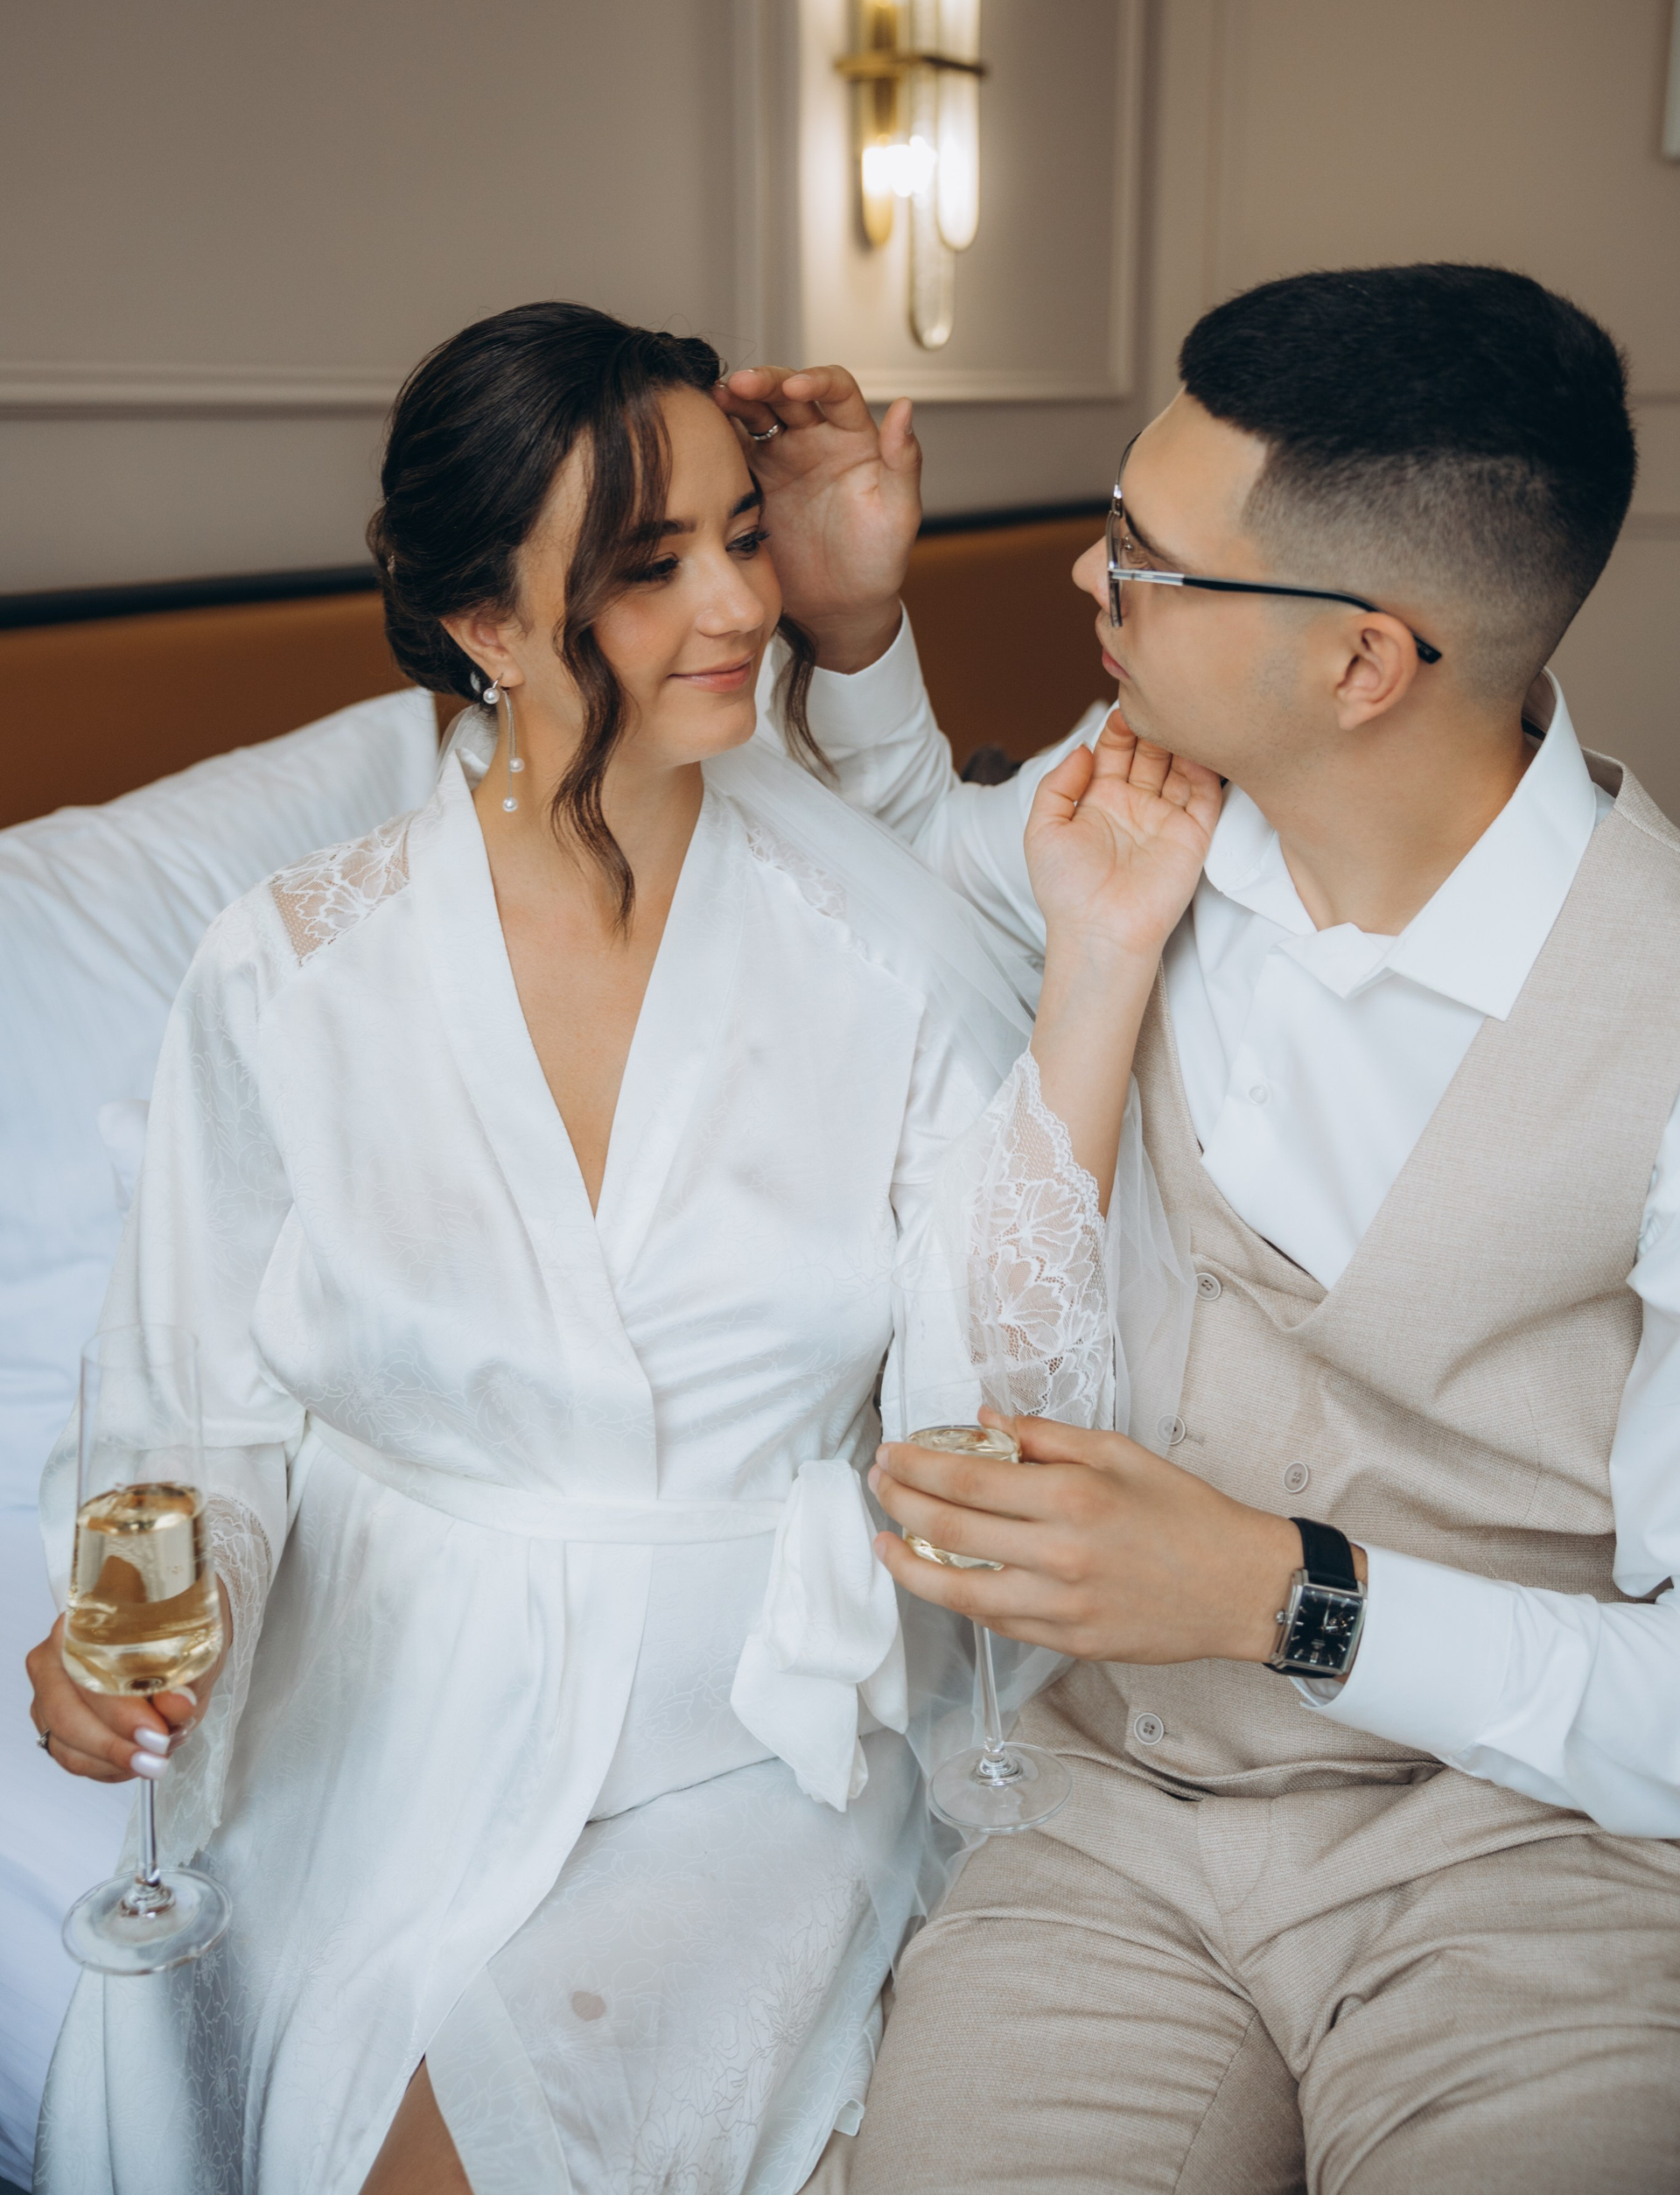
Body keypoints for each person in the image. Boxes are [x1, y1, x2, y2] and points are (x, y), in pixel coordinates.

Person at [24, 303, 1041, 2195]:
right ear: (484, 624)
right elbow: (189, 1416)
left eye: (743, 536)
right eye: (648, 567)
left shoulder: (868, 950)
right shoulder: (292, 972)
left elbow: (1008, 1372)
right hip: (386, 1727)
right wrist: (139, 1646)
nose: (734, 606)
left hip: (750, 1741)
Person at [727, 265, 1680, 2191]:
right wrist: (852, 623)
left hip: (1529, 1855)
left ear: (1362, 663)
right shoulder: (1136, 803)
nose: (1088, 578)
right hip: (1107, 1821)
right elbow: (874, 891)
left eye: (1142, 556)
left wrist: (1279, 1595)